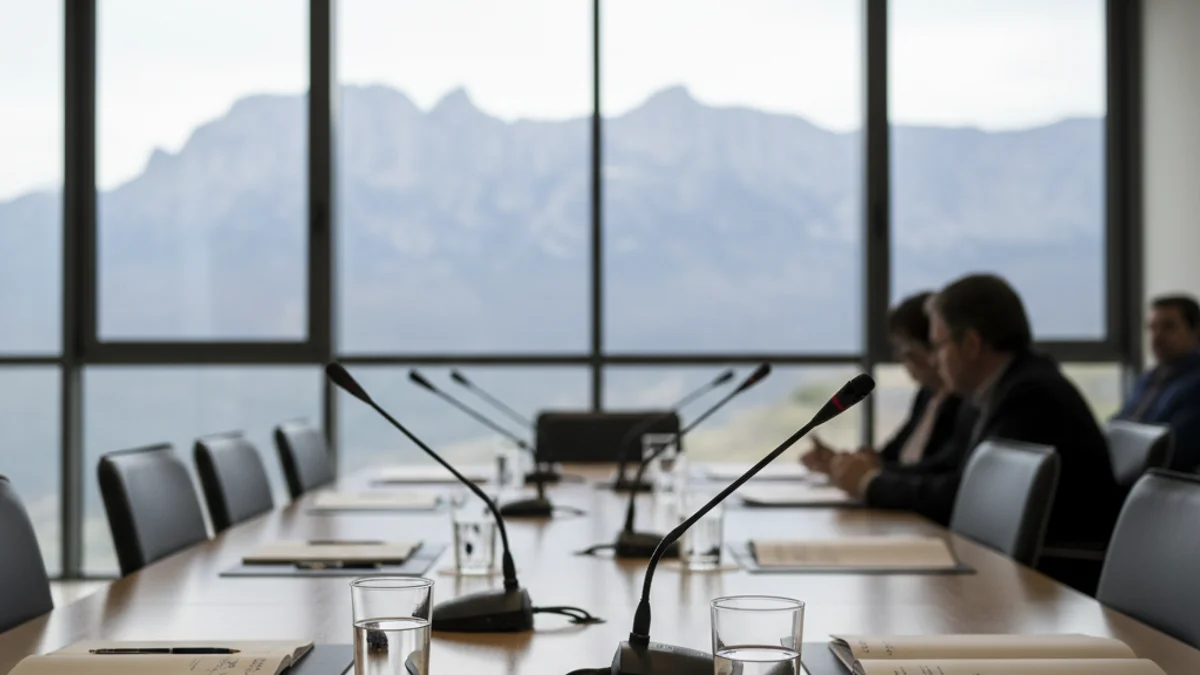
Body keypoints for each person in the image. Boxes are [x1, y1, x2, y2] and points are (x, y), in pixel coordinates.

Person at [829, 274, 1124, 565]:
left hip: (1057, 572)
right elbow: (948, 466)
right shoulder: (992, 392)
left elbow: (971, 497)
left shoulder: (1032, 396)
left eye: (939, 346)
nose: (934, 360)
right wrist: (877, 474)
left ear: (971, 344)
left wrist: (872, 483)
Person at [803, 292, 965, 475]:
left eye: (907, 351)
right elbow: (889, 457)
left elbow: (934, 475)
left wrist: (868, 476)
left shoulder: (965, 405)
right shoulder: (927, 396)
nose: (901, 359)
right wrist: (839, 462)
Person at [1115, 294, 1200, 472]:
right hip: (1130, 475)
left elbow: (1172, 449)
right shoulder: (1150, 378)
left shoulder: (1195, 384)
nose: (1157, 337)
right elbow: (1118, 425)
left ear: (1196, 331)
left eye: (1168, 327)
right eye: (1153, 328)